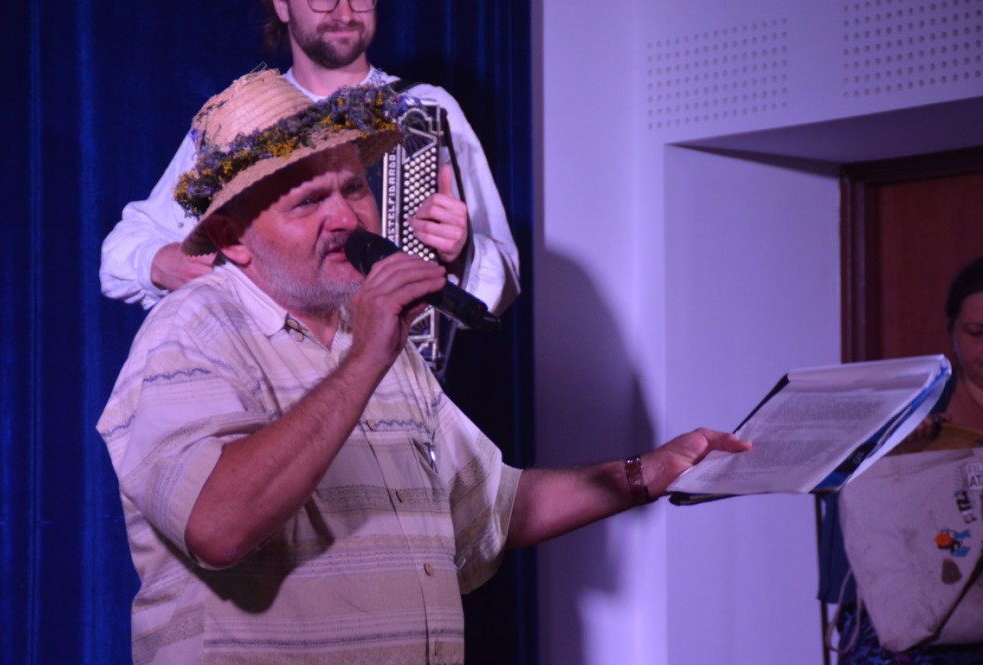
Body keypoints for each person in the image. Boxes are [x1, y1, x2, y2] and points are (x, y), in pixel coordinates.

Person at [97, 69, 751, 664]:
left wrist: (647, 473)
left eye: (353, 187)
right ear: (232, 238)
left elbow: (492, 508)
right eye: (307, 202)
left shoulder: (370, 333)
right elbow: (217, 527)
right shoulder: (192, 331)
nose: (345, 217)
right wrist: (367, 359)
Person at [99, 0, 519, 319]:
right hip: (274, 383)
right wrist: (163, 264)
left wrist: (461, 251)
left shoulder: (426, 108)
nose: (344, 12)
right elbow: (121, 251)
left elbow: (504, 278)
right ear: (282, 6)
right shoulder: (243, 119)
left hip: (398, 381)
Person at [822, 256, 983, 664]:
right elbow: (841, 497)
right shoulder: (906, 411)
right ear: (952, 333)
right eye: (977, 333)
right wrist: (889, 449)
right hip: (914, 631)